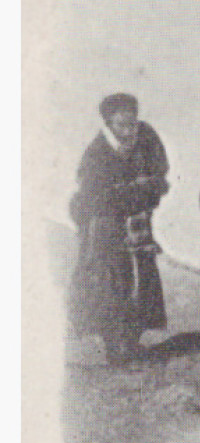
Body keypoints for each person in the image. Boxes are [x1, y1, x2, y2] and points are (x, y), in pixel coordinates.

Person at [69, 93, 170, 364]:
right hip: (105, 226)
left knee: (143, 284)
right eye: (121, 121)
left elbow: (160, 171)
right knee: (111, 284)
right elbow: (95, 194)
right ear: (109, 121)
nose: (128, 127)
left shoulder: (146, 136)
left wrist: (146, 188)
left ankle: (132, 342)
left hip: (137, 224)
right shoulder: (97, 151)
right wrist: (137, 189)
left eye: (132, 119)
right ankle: (114, 348)